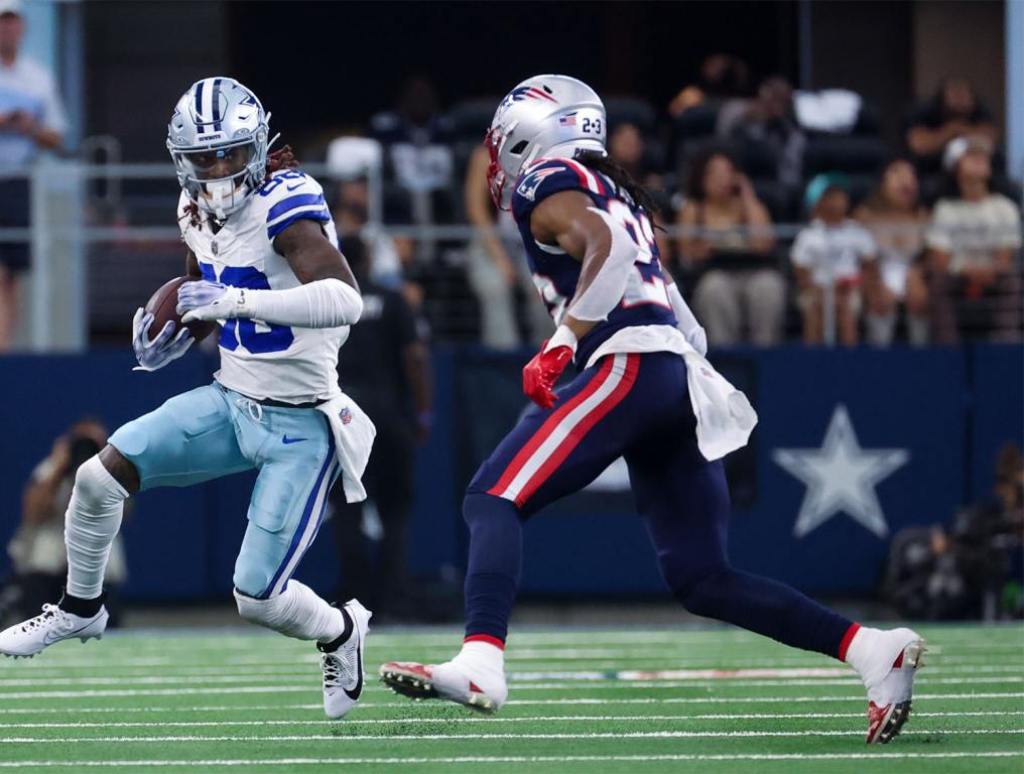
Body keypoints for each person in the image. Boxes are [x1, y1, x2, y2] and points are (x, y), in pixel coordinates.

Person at [380, 74, 924, 746]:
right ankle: (874, 650)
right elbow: (682, 318)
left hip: (630, 364)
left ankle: (482, 660)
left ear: (530, 133)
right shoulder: (615, 190)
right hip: (671, 373)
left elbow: (603, 250)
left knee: (491, 497)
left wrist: (562, 341)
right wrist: (678, 379)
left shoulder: (543, 180)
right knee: (703, 578)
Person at [0, 78, 373, 720]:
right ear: (182, 160)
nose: (221, 169)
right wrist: (176, 333)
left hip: (303, 423)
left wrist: (233, 304)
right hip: (231, 400)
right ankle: (79, 609)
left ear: (256, 147)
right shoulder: (193, 208)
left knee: (255, 599)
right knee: (96, 478)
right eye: (206, 158)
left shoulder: (286, 202)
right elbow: (211, 286)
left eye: (232, 153)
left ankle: (342, 629)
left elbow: (345, 299)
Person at [328, 235, 431, 618]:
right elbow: (415, 357)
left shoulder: (327, 304)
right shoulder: (392, 299)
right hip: (387, 415)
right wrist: (422, 412)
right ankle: (392, 597)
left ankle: (354, 601)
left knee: (347, 510)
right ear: (369, 258)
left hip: (343, 416)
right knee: (395, 511)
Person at [2, 419, 126, 628]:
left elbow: (125, 512)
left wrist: (104, 466)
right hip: (48, 570)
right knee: (39, 625)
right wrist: (59, 470)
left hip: (96, 570)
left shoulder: (113, 472)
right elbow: (32, 514)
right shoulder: (50, 470)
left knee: (104, 626)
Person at [0, 0, 67, 350]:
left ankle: (4, 349)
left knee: (11, 276)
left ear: (21, 27)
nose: (7, 29)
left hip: (19, 185)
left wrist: (28, 127)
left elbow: (56, 136)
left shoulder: (38, 78)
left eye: (11, 22)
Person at [676, 148, 785, 346]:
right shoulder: (694, 208)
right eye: (715, 174)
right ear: (703, 178)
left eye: (727, 173)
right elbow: (686, 254)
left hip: (753, 272)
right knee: (715, 290)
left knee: (769, 287)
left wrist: (748, 196)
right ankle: (725, 354)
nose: (721, 179)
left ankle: (765, 352)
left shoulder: (750, 206)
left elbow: (763, 243)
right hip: (715, 273)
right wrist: (708, 248)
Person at [925, 137, 1022, 344]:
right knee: (937, 282)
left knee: (1012, 281)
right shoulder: (945, 208)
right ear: (955, 167)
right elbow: (941, 259)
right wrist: (966, 270)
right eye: (971, 155)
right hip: (957, 277)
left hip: (995, 276)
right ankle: (948, 349)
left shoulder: (1005, 207)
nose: (979, 159)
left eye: (982, 155)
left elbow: (1005, 256)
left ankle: (1005, 346)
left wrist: (988, 270)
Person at [464, 142, 551, 349]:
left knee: (545, 289)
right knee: (496, 287)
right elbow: (476, 210)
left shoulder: (546, 153)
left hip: (532, 240)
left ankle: (548, 361)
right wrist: (500, 258)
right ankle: (504, 362)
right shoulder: (484, 155)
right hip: (490, 241)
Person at [791, 174, 876, 346]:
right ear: (819, 202)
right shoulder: (808, 235)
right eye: (830, 197)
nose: (836, 201)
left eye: (839, 196)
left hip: (851, 288)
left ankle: (849, 363)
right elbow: (800, 271)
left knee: (846, 307)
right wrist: (820, 290)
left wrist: (858, 286)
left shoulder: (857, 231)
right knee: (815, 306)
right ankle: (813, 361)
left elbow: (870, 264)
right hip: (817, 289)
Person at [854, 159, 930, 346]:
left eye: (911, 175)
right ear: (882, 182)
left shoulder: (924, 217)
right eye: (897, 173)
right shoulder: (864, 216)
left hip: (914, 276)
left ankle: (922, 355)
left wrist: (919, 274)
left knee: (922, 296)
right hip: (876, 275)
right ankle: (879, 354)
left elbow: (932, 256)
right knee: (879, 300)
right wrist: (874, 281)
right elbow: (857, 258)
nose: (906, 180)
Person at [905, 77, 998, 173]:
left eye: (963, 94)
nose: (959, 100)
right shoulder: (926, 112)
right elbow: (919, 144)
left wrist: (960, 130)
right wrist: (949, 131)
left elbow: (989, 139)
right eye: (955, 94)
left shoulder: (980, 112)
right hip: (930, 171)